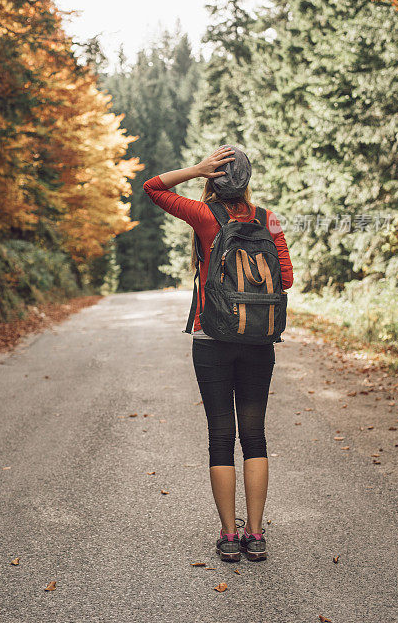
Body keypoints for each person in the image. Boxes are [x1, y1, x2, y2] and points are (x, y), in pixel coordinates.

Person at [143, 144, 293, 563]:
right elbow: (288, 279)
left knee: (220, 438)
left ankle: (229, 535)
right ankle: (257, 534)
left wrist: (197, 169)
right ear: (247, 181)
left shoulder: (206, 216)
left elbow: (153, 187)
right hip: (259, 341)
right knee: (255, 436)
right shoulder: (270, 220)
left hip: (212, 338)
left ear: (215, 180)